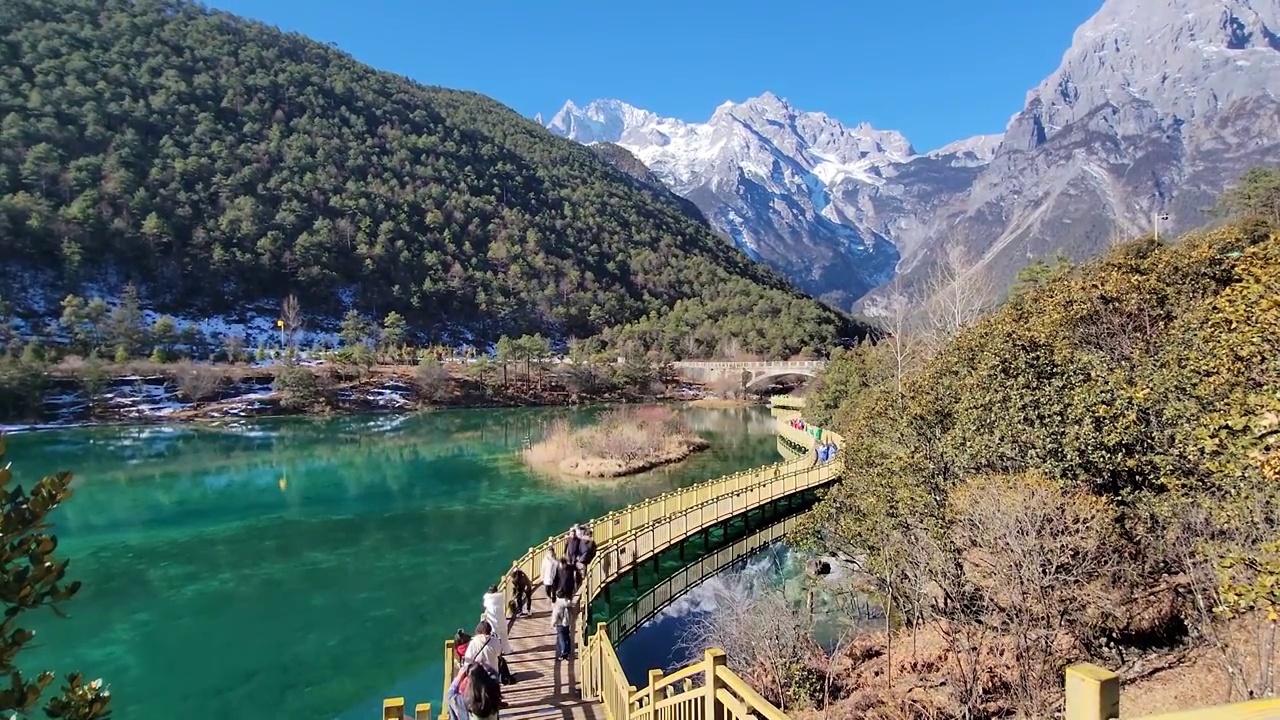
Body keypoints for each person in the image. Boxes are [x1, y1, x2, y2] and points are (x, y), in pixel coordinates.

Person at [481, 585, 514, 655]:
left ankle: (497, 652)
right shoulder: (500, 596)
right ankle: (507, 650)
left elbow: (485, 606)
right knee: (504, 635)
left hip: (493, 622)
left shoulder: (487, 599)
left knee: (495, 638)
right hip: (501, 620)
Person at [551, 594, 574, 660]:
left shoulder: (558, 604)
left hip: (560, 623)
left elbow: (555, 614)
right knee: (567, 636)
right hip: (567, 623)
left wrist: (553, 623)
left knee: (561, 638)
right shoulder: (568, 603)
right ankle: (568, 652)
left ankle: (563, 652)